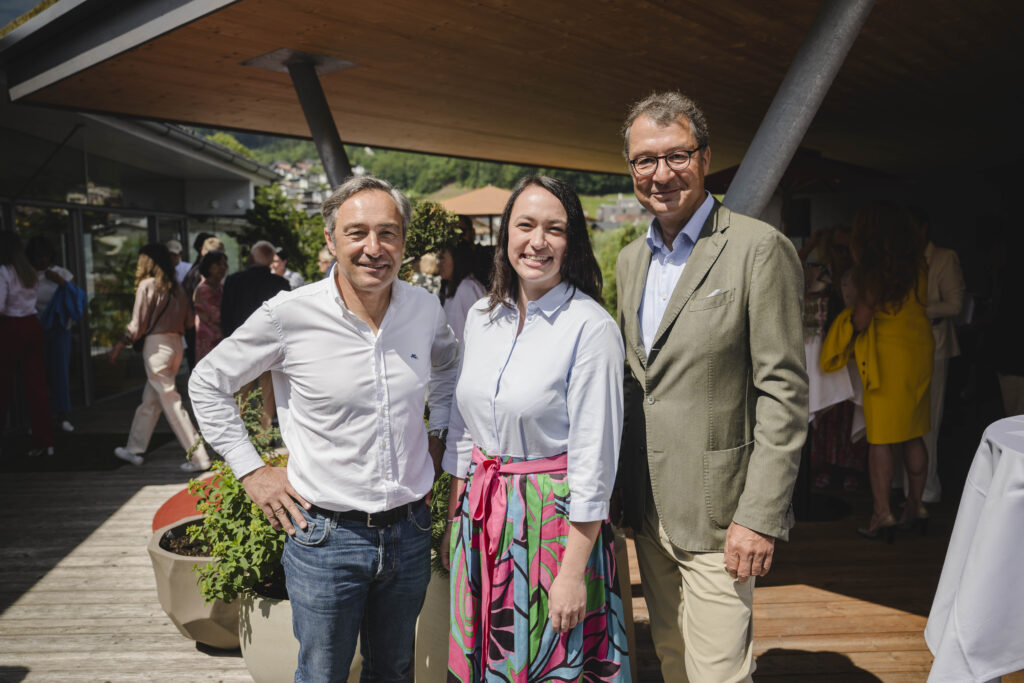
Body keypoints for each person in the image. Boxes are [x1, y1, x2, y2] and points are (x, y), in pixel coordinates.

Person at [189, 175, 458, 682]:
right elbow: (207, 382)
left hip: (409, 530)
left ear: (403, 241)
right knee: (322, 674)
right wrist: (252, 471)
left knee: (395, 671)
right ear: (331, 241)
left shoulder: (423, 308)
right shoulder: (290, 315)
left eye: (388, 233)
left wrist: (439, 429)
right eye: (356, 233)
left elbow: (449, 365)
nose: (373, 248)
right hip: (326, 538)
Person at [614, 91, 808, 682]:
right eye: (645, 160)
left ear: (704, 158)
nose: (661, 173)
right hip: (647, 509)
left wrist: (760, 516)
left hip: (722, 514)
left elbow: (784, 395)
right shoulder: (629, 262)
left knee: (720, 673)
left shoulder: (758, 248)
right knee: (671, 660)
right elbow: (635, 381)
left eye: (677, 155)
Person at [442, 176, 631, 682]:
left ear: (573, 243)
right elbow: (464, 426)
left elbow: (595, 460)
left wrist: (573, 573)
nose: (537, 241)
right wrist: (454, 517)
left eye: (555, 229)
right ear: (506, 234)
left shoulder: (591, 328)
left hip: (555, 526)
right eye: (525, 225)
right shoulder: (481, 316)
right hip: (481, 517)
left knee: (549, 661)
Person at [821, 202, 933, 539]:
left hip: (887, 356)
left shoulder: (872, 270)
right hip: (918, 350)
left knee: (881, 439)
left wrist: (841, 330)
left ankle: (883, 515)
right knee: (915, 432)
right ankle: (916, 505)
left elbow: (862, 319)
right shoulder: (917, 264)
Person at [108, 243, 211, 472]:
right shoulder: (177, 288)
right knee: (151, 401)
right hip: (176, 345)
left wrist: (118, 345)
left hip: (156, 347)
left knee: (171, 403)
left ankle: (199, 458)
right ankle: (134, 449)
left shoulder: (147, 285)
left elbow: (137, 325)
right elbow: (188, 322)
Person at [906, 207, 964, 504]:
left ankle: (927, 490)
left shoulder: (944, 257)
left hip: (936, 346)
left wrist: (914, 314)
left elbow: (955, 305)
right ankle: (906, 487)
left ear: (924, 227)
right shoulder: (902, 259)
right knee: (906, 420)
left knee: (929, 418)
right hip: (904, 348)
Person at [220, 240, 290, 431]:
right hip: (271, 345)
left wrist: (228, 341)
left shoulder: (234, 281)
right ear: (271, 260)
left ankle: (235, 434)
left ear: (251, 257)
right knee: (267, 393)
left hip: (241, 344)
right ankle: (263, 436)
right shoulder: (280, 283)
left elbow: (225, 314)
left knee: (239, 392)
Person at [0, 232, 54, 457]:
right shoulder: (29, 272)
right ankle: (45, 440)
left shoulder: (3, 271)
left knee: (3, 387)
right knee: (37, 386)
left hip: (11, 326)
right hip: (32, 325)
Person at [26, 235, 77, 434]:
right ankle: (38, 418)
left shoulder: (61, 273)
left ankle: (63, 415)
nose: (43, 261)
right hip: (35, 328)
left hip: (59, 330)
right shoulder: (27, 275)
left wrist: (61, 282)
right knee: (37, 375)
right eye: (39, 257)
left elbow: (77, 296)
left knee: (59, 374)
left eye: (46, 256)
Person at [437, 240, 485, 343]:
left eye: (442, 259)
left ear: (456, 260)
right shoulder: (450, 288)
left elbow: (480, 329)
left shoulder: (467, 288)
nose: (439, 265)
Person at [193, 250, 228, 362]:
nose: (223, 268)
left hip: (220, 343)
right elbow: (217, 316)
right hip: (209, 344)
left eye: (225, 264)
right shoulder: (204, 289)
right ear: (209, 266)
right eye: (218, 264)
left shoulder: (220, 287)